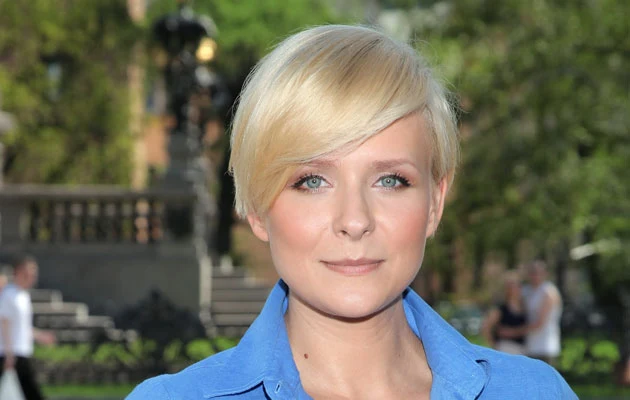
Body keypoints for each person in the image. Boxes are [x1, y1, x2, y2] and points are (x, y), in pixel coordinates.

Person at [128, 25, 576, 399]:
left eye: (390, 180)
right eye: (312, 181)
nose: (355, 220)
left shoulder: (537, 393)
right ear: (258, 208)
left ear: (435, 202)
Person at [0, 255, 56, 400]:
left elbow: (23, 327)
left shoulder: (23, 296)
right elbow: (4, 323)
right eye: (28, 273)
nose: (32, 277)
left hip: (20, 352)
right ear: (18, 272)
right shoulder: (9, 294)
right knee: (32, 392)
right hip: (10, 353)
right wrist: (9, 354)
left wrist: (40, 336)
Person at [481, 272, 527, 355]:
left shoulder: (524, 307)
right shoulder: (501, 308)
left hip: (522, 349)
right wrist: (494, 346)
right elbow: (486, 327)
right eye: (510, 287)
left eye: (516, 286)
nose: (514, 289)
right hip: (505, 348)